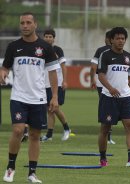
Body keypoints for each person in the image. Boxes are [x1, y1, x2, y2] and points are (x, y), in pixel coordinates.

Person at [0, 12, 59, 183]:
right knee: (18, 130)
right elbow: (5, 67)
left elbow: (53, 73)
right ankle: (11, 167)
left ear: (35, 25)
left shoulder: (45, 47)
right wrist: (3, 73)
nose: (24, 26)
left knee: (34, 135)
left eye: (28, 23)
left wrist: (54, 96)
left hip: (38, 99)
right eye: (22, 23)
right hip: (18, 97)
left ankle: (32, 173)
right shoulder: (13, 46)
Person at [97, 27, 130, 167]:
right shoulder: (105, 55)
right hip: (109, 97)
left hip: (125, 97)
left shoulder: (128, 57)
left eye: (123, 38)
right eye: (117, 38)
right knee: (105, 129)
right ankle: (103, 158)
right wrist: (110, 88)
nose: (120, 41)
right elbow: (101, 75)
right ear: (111, 40)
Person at [40, 28, 71, 142]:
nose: (48, 38)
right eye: (46, 36)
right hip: (45, 83)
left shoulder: (58, 50)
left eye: (50, 36)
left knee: (55, 108)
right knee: (50, 109)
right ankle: (49, 135)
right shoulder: (40, 49)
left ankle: (67, 128)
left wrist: (65, 81)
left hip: (57, 83)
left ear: (54, 39)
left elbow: (63, 66)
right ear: (43, 37)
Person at [90, 30, 116, 144]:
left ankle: (107, 135)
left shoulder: (100, 51)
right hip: (112, 84)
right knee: (111, 108)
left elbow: (93, 67)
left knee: (107, 108)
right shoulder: (117, 52)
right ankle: (108, 136)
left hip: (102, 84)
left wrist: (92, 80)